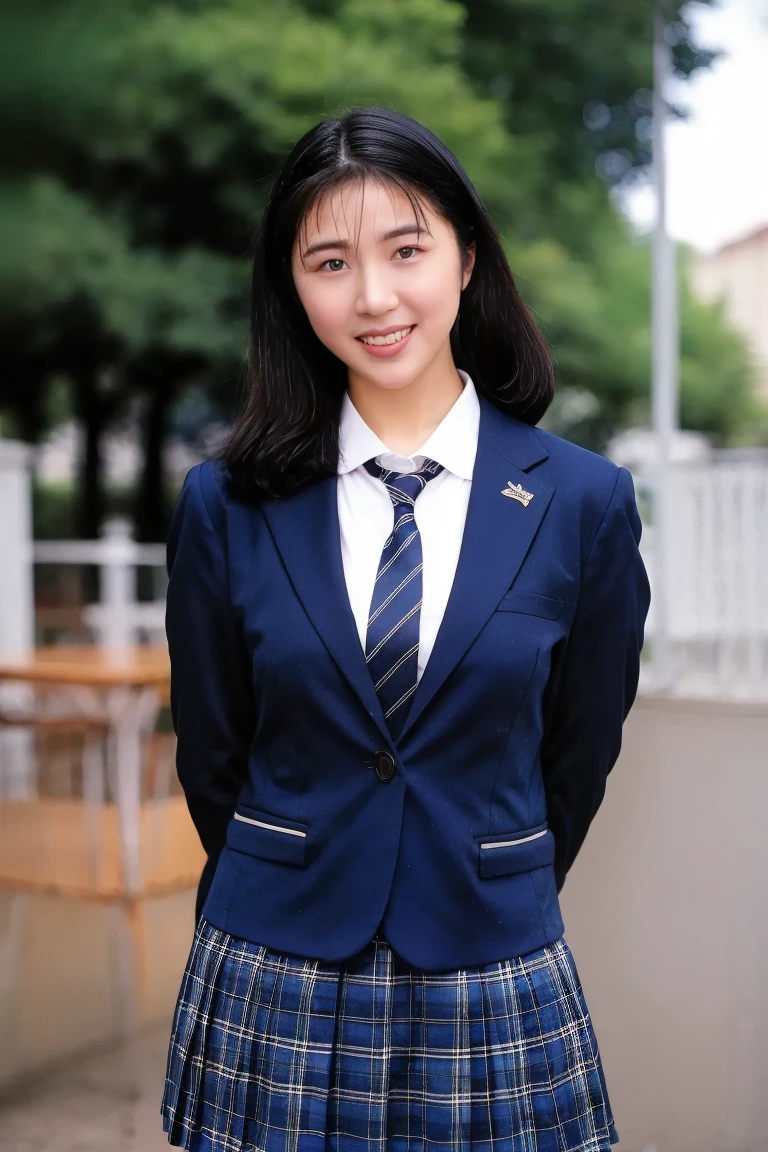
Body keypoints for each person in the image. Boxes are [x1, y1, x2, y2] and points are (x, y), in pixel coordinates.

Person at [161, 106, 650, 1152]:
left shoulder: (583, 502)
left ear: (467, 259)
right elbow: (213, 755)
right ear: (292, 287)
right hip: (276, 961)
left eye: (406, 250)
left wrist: (485, 863)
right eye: (330, 263)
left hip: (490, 961)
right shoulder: (226, 504)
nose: (374, 297)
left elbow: (579, 752)